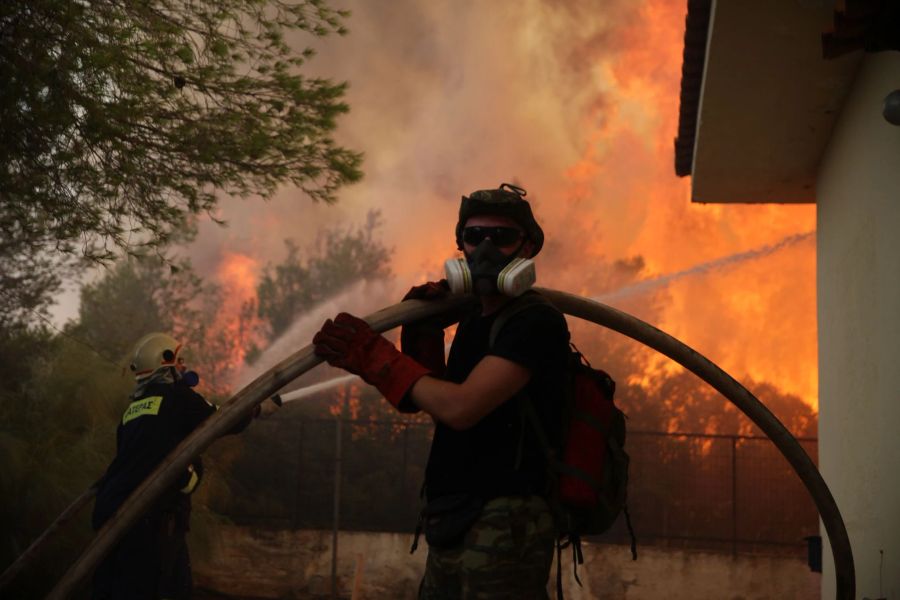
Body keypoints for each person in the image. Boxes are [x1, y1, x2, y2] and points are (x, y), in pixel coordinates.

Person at [313, 183, 570, 599]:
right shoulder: (474, 322)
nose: (485, 250)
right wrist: (423, 334)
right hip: (454, 512)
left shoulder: (536, 322)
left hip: (506, 519)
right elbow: (439, 405)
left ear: (527, 249)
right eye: (474, 237)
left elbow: (461, 408)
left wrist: (380, 360)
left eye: (501, 237)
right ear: (461, 247)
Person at [91, 333, 259, 600]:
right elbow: (226, 421)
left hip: (112, 510)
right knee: (163, 590)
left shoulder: (132, 410)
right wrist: (257, 410)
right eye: (179, 361)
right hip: (152, 518)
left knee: (116, 589)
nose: (184, 367)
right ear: (165, 363)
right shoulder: (178, 397)